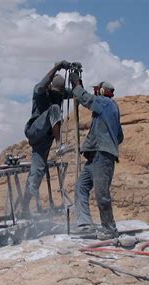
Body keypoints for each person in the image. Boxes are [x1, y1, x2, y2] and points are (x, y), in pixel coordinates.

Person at [68, 72, 124, 240]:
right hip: (95, 156)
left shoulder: (104, 103)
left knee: (102, 194)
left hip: (102, 155)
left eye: (96, 90)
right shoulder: (112, 108)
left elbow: (85, 98)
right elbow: (120, 136)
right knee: (81, 187)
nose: (94, 92)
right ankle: (85, 225)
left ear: (101, 91)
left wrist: (76, 84)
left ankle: (109, 229)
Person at [21, 60, 72, 218]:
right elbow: (41, 85)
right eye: (56, 92)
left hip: (43, 140)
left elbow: (78, 93)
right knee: (55, 109)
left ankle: (24, 208)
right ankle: (60, 145)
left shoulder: (60, 93)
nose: (58, 95)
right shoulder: (41, 91)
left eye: (60, 94)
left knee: (37, 172)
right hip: (35, 130)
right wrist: (57, 67)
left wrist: (76, 76)